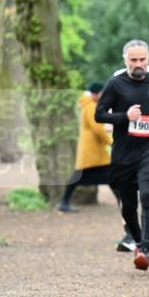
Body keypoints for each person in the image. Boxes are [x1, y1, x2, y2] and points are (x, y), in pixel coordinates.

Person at [94, 39, 149, 271]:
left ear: (148, 59)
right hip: (123, 152)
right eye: (134, 60)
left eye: (142, 60)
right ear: (126, 60)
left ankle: (145, 246)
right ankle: (138, 240)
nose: (139, 64)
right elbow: (99, 115)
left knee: (147, 194)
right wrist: (124, 117)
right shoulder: (116, 83)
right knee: (128, 206)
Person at [57, 82, 113, 213]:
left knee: (105, 176)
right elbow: (98, 128)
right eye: (102, 93)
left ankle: (64, 202)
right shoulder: (91, 107)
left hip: (92, 149)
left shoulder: (88, 105)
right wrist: (111, 142)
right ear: (95, 94)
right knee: (110, 176)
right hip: (93, 150)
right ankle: (63, 202)